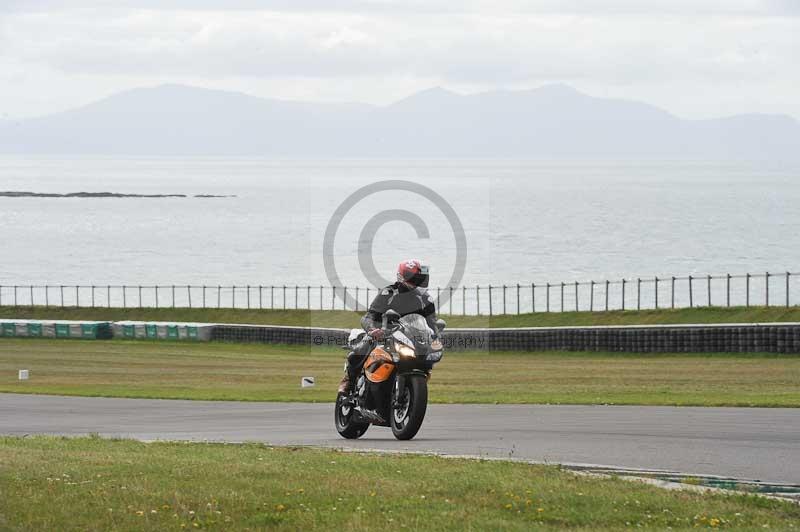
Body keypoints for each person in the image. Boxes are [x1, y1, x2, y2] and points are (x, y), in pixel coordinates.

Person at [337, 259, 438, 394]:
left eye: (421, 279)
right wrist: (373, 330)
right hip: (383, 333)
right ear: (402, 277)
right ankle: (349, 380)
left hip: (410, 337)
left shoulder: (426, 299)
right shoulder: (389, 293)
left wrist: (435, 336)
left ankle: (413, 386)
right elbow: (369, 316)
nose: (418, 282)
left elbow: (432, 324)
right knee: (361, 349)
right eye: (415, 279)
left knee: (426, 357)